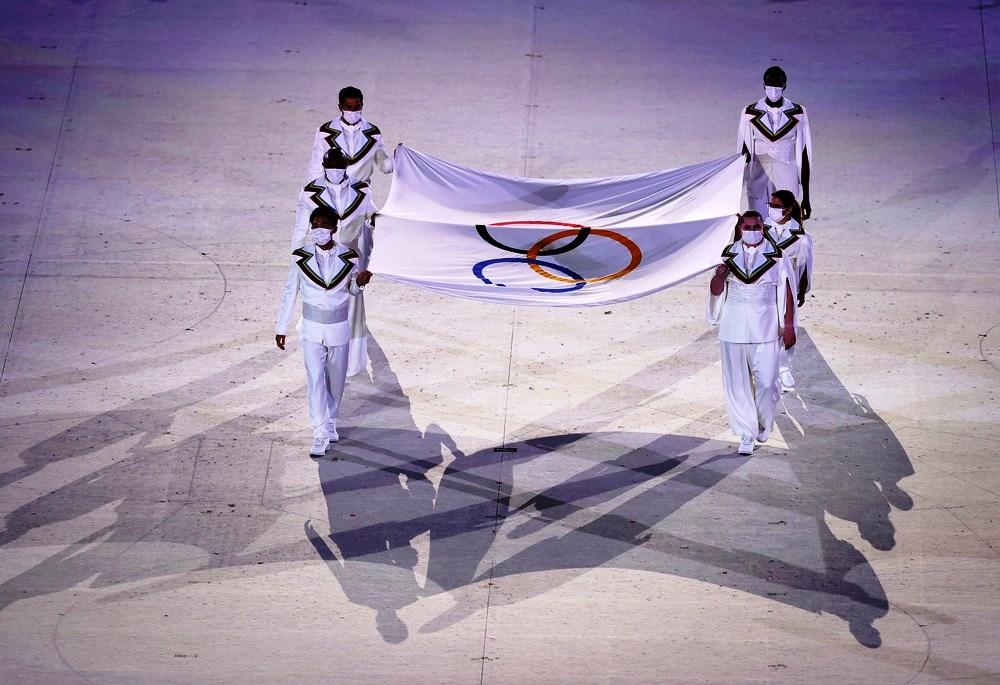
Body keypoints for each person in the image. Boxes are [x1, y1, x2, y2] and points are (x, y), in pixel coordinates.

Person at [276, 206, 373, 457]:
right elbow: (290, 292)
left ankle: (331, 420)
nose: (318, 230)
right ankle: (319, 431)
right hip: (310, 329)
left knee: (337, 380)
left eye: (323, 225)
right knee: (315, 380)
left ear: (333, 228)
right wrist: (281, 327)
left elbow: (351, 289)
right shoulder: (300, 257)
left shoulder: (349, 257)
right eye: (315, 225)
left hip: (339, 328)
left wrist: (359, 285)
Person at [708, 211, 796, 455]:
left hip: (766, 328)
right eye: (747, 226)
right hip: (733, 328)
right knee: (738, 386)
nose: (752, 230)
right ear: (740, 229)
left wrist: (788, 325)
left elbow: (787, 289)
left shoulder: (777, 256)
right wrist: (720, 275)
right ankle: (746, 432)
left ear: (762, 227)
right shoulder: (728, 256)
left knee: (767, 383)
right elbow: (716, 291)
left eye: (756, 226)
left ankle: (762, 423)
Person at [293, 147, 377, 376]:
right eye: (331, 168)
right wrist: (297, 255)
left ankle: (350, 362)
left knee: (352, 308)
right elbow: (302, 225)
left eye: (339, 168)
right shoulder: (310, 192)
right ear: (324, 167)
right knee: (322, 302)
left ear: (346, 167)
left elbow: (372, 215)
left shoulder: (362, 190)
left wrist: (375, 223)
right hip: (319, 256)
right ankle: (318, 352)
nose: (335, 172)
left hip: (349, 256)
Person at [738, 66, 813, 219]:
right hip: (758, 178)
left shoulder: (799, 112)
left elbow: (805, 153)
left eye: (777, 85)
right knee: (760, 226)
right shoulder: (748, 112)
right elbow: (742, 153)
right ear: (763, 85)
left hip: (787, 177)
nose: (773, 89)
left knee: (786, 227)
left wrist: (806, 197)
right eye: (769, 85)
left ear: (784, 85)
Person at [765, 189, 814, 392]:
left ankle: (785, 368)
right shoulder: (761, 228)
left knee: (788, 324)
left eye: (776, 206)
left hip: (788, 285)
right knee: (766, 325)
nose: (772, 209)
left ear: (787, 209)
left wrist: (801, 291)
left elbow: (805, 267)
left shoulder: (801, 238)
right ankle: (767, 368)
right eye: (771, 204)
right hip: (765, 283)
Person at [307, 85, 392, 184]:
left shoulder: (374, 133)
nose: (353, 111)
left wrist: (399, 159)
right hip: (333, 191)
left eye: (357, 107)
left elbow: (384, 166)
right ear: (340, 107)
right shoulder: (325, 131)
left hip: (361, 193)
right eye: (348, 107)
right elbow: (316, 166)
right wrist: (313, 191)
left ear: (362, 105)